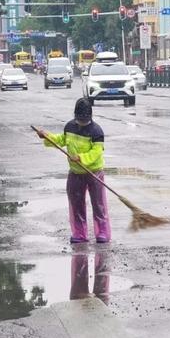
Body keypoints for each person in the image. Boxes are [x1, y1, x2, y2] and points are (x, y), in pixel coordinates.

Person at [35, 98, 111, 244]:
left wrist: (81, 158)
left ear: (90, 116)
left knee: (98, 204)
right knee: (76, 204)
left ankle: (102, 232)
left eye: (85, 120)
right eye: (80, 119)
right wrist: (47, 136)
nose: (82, 122)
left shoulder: (97, 132)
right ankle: (79, 233)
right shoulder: (70, 126)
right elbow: (61, 140)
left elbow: (96, 152)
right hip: (75, 173)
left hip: (94, 172)